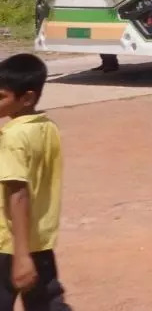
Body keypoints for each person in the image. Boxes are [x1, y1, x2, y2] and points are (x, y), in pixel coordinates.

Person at [0, 54, 67, 310]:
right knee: (46, 303)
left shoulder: (13, 138)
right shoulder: (45, 126)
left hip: (9, 245)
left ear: (26, 98)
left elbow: (18, 194)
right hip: (39, 239)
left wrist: (21, 256)